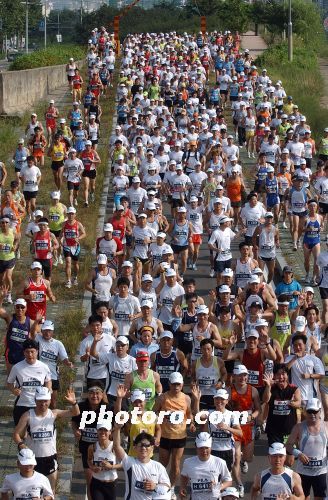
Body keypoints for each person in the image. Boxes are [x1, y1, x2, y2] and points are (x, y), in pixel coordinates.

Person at [13, 386, 79, 492]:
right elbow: (16, 434)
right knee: (33, 491)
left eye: (45, 400)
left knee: (50, 491)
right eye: (40, 401)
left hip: (50, 458)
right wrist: (21, 445)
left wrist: (74, 402)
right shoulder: (27, 415)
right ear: (35, 400)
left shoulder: (54, 413)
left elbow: (75, 413)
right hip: (32, 460)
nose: (43, 404)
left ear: (49, 400)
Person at [154, 371, 195, 497]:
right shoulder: (162, 398)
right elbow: (154, 413)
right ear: (169, 384)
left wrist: (192, 423)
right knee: (162, 464)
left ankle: (171, 488)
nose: (176, 387)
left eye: (178, 384)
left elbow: (189, 414)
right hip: (165, 436)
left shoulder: (186, 398)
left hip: (180, 436)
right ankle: (160, 486)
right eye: (173, 384)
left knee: (176, 464)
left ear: (182, 385)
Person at [71, 384, 111, 499]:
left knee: (105, 483)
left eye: (97, 393)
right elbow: (74, 422)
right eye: (92, 393)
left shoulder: (107, 409)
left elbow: (114, 426)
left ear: (102, 395)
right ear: (88, 395)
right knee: (91, 482)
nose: (95, 396)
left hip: (103, 451)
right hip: (86, 449)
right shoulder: (81, 406)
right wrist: (75, 431)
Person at [113, 426, 171, 500]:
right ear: (135, 447)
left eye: (147, 445)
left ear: (152, 447)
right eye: (141, 445)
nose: (143, 448)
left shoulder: (158, 466)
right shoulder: (129, 463)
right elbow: (116, 446)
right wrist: (117, 429)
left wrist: (155, 486)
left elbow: (167, 486)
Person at [286, 398, 327, 500]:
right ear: (305, 411)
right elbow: (289, 445)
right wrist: (298, 454)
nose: (312, 414)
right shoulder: (298, 427)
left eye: (315, 411)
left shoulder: (326, 426)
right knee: (303, 497)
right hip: (303, 472)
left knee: (320, 498)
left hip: (320, 472)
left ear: (320, 411)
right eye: (309, 411)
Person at [7, 339, 52, 425]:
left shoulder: (44, 367)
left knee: (36, 432)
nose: (30, 355)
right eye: (27, 352)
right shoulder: (17, 367)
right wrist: (13, 390)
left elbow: (48, 381)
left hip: (38, 405)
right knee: (20, 434)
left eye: (32, 352)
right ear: (23, 352)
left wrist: (47, 390)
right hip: (22, 405)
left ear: (37, 352)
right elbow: (9, 383)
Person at [31, 319, 73, 408]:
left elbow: (64, 358)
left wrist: (68, 363)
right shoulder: (38, 338)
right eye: (45, 330)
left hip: (53, 375)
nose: (47, 333)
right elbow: (32, 332)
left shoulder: (58, 344)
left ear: (53, 331)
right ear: (42, 331)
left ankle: (52, 420)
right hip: (39, 375)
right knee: (38, 401)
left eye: (49, 331)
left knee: (53, 402)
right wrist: (36, 322)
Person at [180, 432, 232, 499]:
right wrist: (182, 487)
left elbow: (228, 481)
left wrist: (218, 487)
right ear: (196, 447)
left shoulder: (220, 462)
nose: (204, 451)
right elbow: (184, 476)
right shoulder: (188, 462)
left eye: (206, 448)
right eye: (201, 448)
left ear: (211, 447)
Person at [262, 365, 301, 445]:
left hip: (289, 429)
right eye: (278, 374)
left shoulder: (294, 389)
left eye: (283, 374)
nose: (281, 377)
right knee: (276, 456)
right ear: (274, 376)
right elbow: (266, 400)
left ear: (287, 375)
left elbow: (299, 403)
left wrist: (292, 403)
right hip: (274, 429)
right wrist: (268, 386)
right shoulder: (271, 388)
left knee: (289, 456)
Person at [87, 421, 122, 500]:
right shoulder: (92, 447)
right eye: (100, 429)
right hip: (96, 483)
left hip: (111, 484)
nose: (103, 432)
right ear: (97, 431)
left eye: (105, 430)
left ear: (110, 432)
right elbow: (89, 460)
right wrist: (93, 468)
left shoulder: (114, 447)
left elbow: (123, 464)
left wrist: (111, 466)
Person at [61, 206, 86, 288]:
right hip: (66, 246)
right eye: (69, 214)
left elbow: (84, 233)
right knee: (68, 262)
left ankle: (75, 277)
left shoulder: (78, 224)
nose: (71, 215)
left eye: (72, 214)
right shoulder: (64, 224)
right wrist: (60, 240)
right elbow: (61, 234)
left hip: (76, 247)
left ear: (75, 215)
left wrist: (78, 238)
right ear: (67, 214)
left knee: (75, 264)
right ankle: (68, 281)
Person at [0, 216, 19, 304]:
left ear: (9, 223)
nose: (4, 224)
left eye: (6, 222)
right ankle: (3, 293)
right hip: (1, 259)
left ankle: (9, 295)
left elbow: (17, 238)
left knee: (8, 276)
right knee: (2, 279)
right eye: (2, 222)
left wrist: (15, 245)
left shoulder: (12, 231)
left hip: (10, 258)